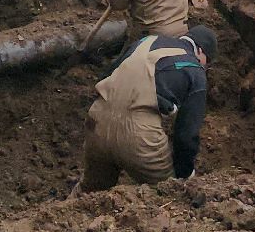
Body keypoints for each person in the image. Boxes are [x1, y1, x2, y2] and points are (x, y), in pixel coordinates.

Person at [78, 26, 215, 192]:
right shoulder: (195, 70)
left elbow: (107, 75)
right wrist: (185, 173)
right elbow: (186, 134)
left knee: (89, 193)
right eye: (207, 62)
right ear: (200, 51)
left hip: (97, 121)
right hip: (138, 136)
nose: (205, 68)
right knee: (171, 194)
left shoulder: (145, 42)